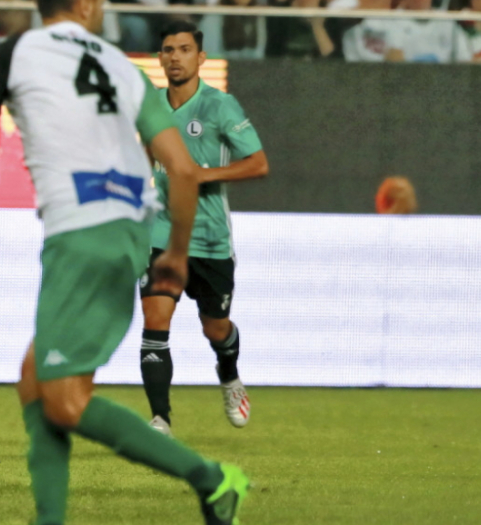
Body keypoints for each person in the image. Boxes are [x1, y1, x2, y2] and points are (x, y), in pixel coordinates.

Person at [0, 1, 249, 524]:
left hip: (80, 234)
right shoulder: (122, 65)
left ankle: (211, 480)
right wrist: (175, 252)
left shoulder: (15, 53)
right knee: (35, 379)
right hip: (130, 231)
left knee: (63, 399)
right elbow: (183, 170)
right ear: (84, 5)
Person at [138, 21, 268, 436]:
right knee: (155, 318)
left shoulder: (220, 106)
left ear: (201, 58)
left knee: (216, 327)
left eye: (184, 49)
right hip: (161, 235)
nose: (175, 57)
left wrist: (201, 175)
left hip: (210, 240)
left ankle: (229, 374)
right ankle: (160, 420)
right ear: (160, 58)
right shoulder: (150, 107)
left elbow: (258, 163)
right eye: (168, 50)